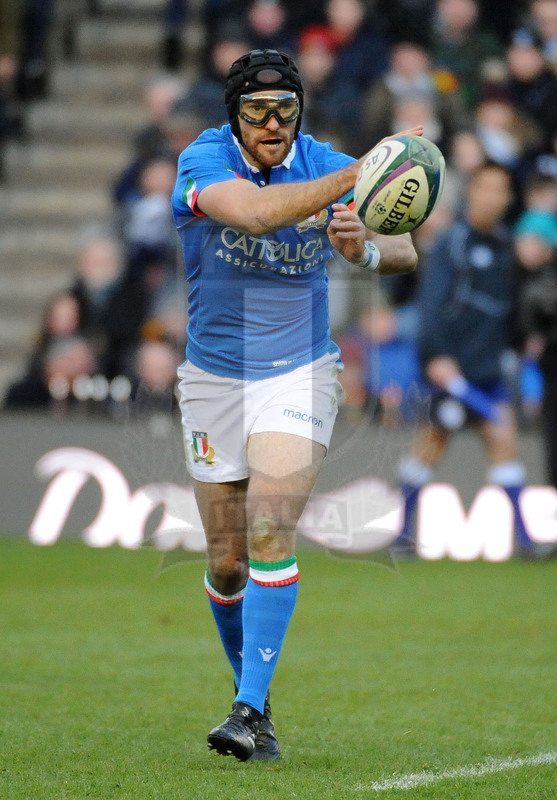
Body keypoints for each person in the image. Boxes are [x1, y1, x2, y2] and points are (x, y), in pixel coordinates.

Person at [171, 48, 418, 762]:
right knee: (225, 562)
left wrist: (363, 248)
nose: (273, 124)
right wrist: (359, 178)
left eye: (285, 110)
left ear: (300, 111)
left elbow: (402, 248)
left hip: (298, 370)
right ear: (233, 115)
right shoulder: (203, 161)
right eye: (256, 111)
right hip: (214, 377)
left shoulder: (322, 158)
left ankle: (246, 710)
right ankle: (259, 698)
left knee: (270, 526)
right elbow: (249, 216)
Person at [394, 162, 539, 558]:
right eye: (486, 188)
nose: (493, 197)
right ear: (471, 192)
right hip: (452, 368)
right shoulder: (450, 243)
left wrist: (522, 344)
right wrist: (436, 356)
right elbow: (432, 305)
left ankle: (526, 540)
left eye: (501, 189)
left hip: (489, 369)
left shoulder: (508, 247)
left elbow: (510, 311)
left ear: (509, 198)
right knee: (432, 443)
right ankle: (401, 531)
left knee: (503, 440)